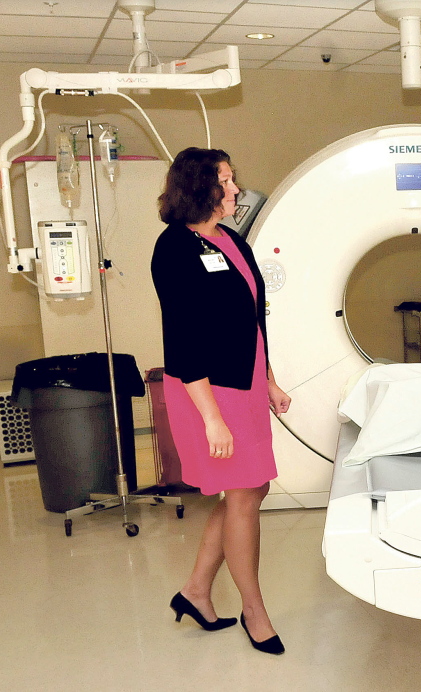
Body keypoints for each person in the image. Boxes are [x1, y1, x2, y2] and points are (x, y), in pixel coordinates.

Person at [151, 147, 290, 656]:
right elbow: (183, 341)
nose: (236, 190)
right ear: (199, 188)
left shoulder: (230, 240)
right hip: (205, 392)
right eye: (226, 181)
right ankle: (254, 610)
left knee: (246, 493)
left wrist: (270, 379)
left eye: (234, 179)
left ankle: (195, 593)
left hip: (244, 382)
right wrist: (211, 419)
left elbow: (253, 319)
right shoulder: (174, 249)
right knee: (244, 494)